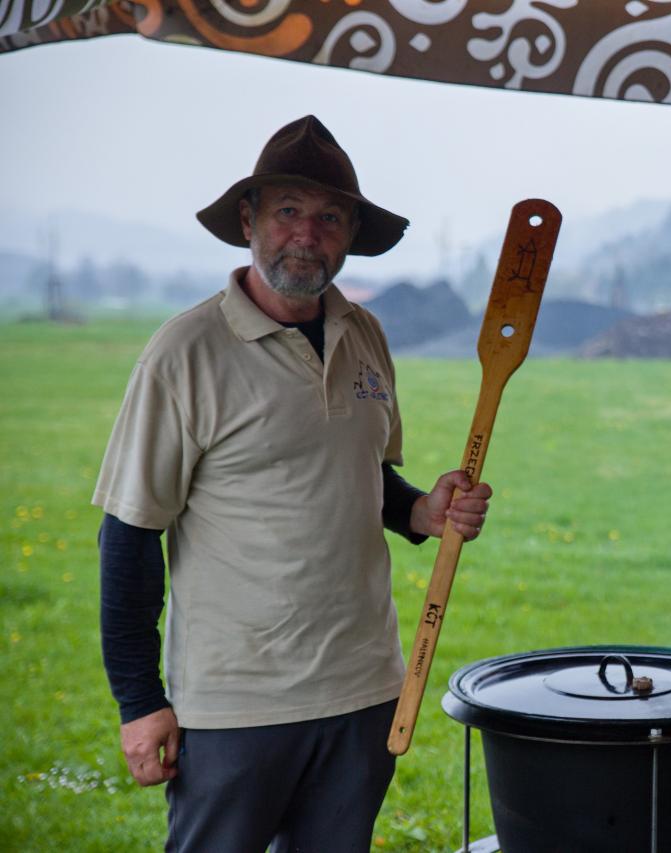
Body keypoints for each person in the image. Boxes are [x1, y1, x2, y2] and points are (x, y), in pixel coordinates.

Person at [92, 115, 493, 852]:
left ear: (350, 234)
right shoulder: (184, 352)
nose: (307, 234)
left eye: (330, 217)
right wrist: (140, 701)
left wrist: (422, 513)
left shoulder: (364, 333)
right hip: (235, 708)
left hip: (364, 693)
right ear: (248, 221)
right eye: (288, 211)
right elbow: (128, 533)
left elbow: (367, 475)